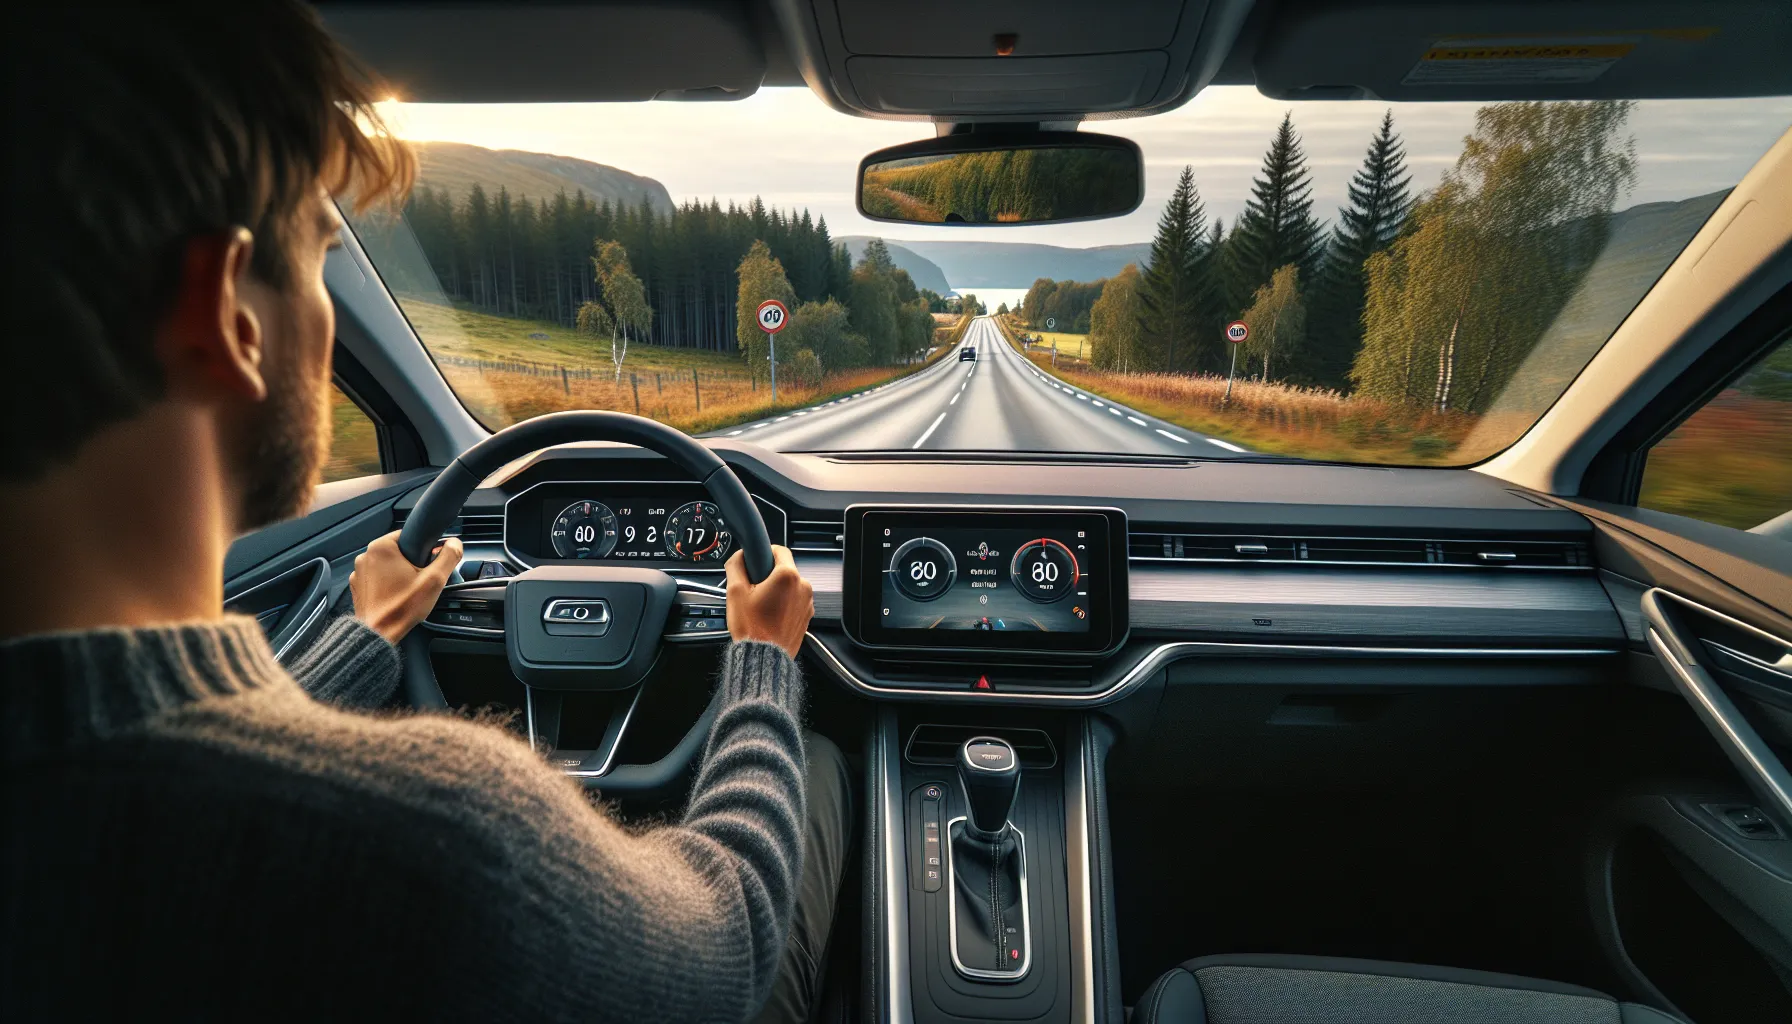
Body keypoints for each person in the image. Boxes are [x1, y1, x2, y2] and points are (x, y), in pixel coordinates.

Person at [0, 4, 848, 1020]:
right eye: (319, 262)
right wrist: (760, 663)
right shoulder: (439, 841)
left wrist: (362, 636)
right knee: (824, 772)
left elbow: (163, 769)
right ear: (226, 317)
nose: (325, 316)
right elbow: (730, 940)